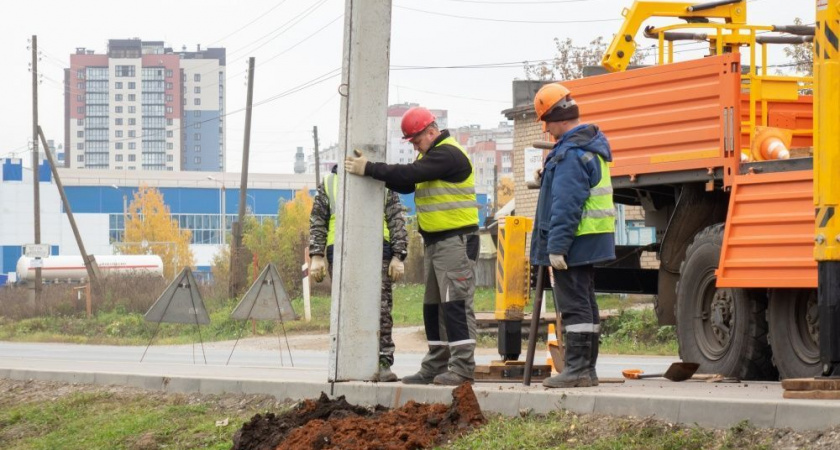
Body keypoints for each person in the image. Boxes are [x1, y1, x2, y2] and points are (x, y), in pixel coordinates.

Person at [344, 106, 479, 386]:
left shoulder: (448, 153)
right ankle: (436, 364)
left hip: (456, 242)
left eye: (417, 141)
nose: (416, 148)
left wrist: (369, 168)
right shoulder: (433, 157)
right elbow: (406, 184)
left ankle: (463, 367)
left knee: (455, 304)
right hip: (437, 243)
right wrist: (374, 173)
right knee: (433, 307)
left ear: (432, 132)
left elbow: (409, 174)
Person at [531, 83, 616, 388]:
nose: (546, 128)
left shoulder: (570, 154)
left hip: (575, 242)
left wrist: (556, 248)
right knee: (586, 304)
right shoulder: (588, 147)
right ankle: (586, 369)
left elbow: (566, 206)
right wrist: (548, 175)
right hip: (591, 239)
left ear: (558, 117)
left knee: (574, 306)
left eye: (546, 121)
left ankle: (578, 369)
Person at [309, 165, 408, 382]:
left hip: (377, 248)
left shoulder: (382, 179)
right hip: (341, 249)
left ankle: (382, 362)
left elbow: (396, 218)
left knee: (380, 307)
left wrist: (398, 255)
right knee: (345, 309)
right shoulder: (330, 183)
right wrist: (316, 255)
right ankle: (345, 362)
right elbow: (318, 220)